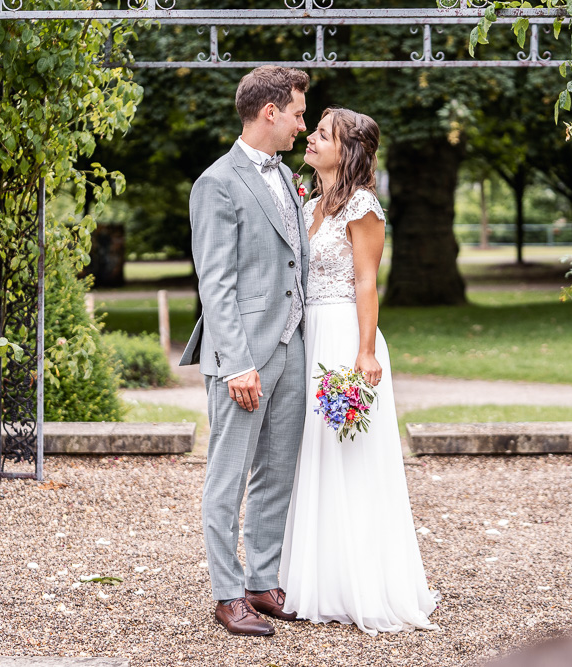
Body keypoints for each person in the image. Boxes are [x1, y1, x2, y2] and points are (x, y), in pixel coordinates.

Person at [279, 107, 439, 636]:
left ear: (345, 151)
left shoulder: (363, 207)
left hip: (346, 338)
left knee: (349, 458)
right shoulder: (309, 203)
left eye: (321, 135)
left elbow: (367, 283)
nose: (310, 139)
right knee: (314, 456)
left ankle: (364, 583)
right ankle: (316, 580)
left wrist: (365, 352)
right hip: (309, 338)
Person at [180, 65, 310, 637]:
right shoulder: (216, 182)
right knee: (228, 477)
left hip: (292, 348)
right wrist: (236, 363)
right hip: (244, 359)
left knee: (278, 472)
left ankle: (261, 580)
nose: (304, 127)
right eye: (299, 114)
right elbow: (216, 283)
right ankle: (227, 593)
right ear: (270, 112)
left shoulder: (286, 176)